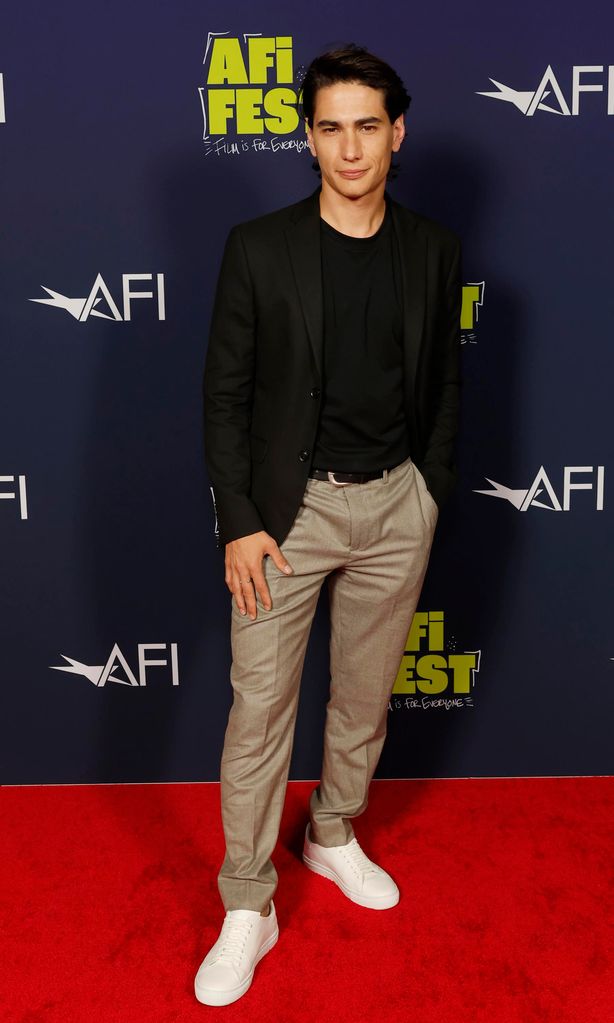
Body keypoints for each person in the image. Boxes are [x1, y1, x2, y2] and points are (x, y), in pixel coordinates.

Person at [195, 43, 463, 1006]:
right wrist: (239, 519)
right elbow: (223, 396)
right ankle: (247, 900)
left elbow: (443, 384)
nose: (350, 149)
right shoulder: (258, 247)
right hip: (286, 516)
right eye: (330, 128)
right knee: (260, 712)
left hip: (396, 504)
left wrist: (427, 492)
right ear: (308, 138)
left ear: (398, 133)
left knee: (363, 699)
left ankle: (333, 830)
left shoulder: (434, 249)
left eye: (367, 127)